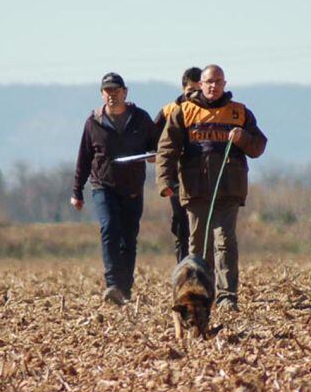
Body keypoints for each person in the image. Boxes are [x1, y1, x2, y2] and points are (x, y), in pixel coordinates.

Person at [156, 64, 267, 311]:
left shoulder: (239, 113)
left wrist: (243, 138)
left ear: (224, 84)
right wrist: (164, 181)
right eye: (209, 82)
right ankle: (200, 293)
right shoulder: (184, 112)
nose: (213, 86)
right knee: (198, 244)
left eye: (218, 82)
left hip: (229, 189)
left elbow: (258, 146)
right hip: (195, 190)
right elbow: (166, 149)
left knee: (225, 242)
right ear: (201, 84)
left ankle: (227, 296)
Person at [72, 72, 158, 305]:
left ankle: (125, 289)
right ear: (102, 94)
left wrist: (154, 155)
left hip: (132, 188)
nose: (112, 95)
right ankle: (112, 284)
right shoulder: (93, 122)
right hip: (103, 186)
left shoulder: (140, 119)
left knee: (128, 239)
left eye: (116, 90)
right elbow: (84, 158)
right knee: (109, 228)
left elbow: (158, 146)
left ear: (125, 92)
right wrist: (77, 191)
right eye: (107, 91)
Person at [153, 67, 202, 263]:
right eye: (191, 91)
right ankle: (183, 268)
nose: (194, 95)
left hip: (202, 177)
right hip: (176, 180)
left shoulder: (208, 110)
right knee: (182, 225)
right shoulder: (168, 111)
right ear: (183, 89)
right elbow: (152, 139)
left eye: (199, 90)